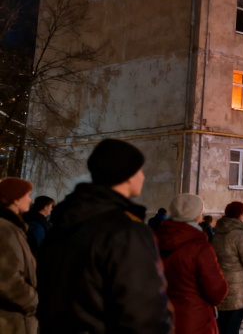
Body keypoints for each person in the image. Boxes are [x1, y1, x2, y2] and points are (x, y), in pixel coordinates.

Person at [37, 138, 174, 333]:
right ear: (127, 175)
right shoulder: (126, 231)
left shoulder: (63, 223)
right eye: (140, 170)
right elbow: (143, 313)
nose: (143, 177)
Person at [157, 193, 228, 333]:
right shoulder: (200, 248)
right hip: (194, 320)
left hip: (161, 317)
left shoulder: (155, 240)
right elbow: (217, 291)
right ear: (198, 215)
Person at [213, 201, 243, 334]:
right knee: (233, 326)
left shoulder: (218, 232)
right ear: (239, 214)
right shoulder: (240, 234)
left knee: (222, 325)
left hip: (221, 283)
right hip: (237, 288)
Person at [0, 177, 38, 334]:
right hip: (9, 321)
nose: (30, 199)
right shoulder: (5, 229)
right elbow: (6, 278)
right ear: (15, 199)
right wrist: (32, 300)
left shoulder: (14, 228)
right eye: (27, 195)